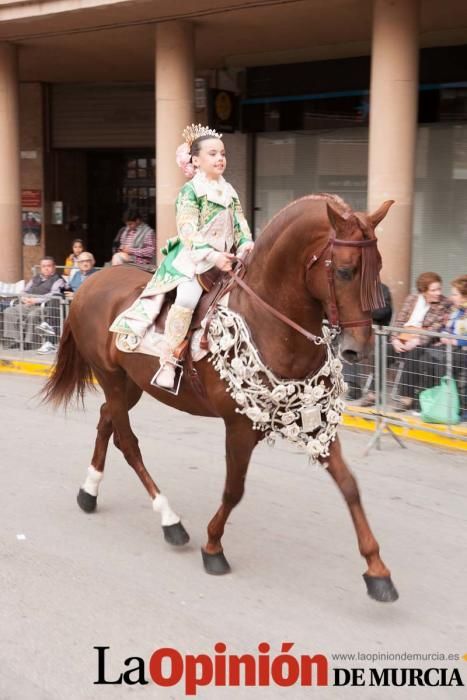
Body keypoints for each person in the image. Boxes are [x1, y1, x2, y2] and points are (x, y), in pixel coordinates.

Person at [110, 123, 254, 389]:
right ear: (196, 160)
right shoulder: (190, 192)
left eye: (222, 153)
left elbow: (240, 224)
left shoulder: (230, 190)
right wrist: (212, 257)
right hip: (194, 261)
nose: (220, 158)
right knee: (187, 297)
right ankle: (170, 360)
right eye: (212, 154)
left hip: (228, 260)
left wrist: (246, 244)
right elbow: (188, 231)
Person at [388, 271, 450, 410]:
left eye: (439, 289)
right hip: (403, 337)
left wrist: (417, 340)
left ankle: (406, 399)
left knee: (414, 355)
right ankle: (372, 394)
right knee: (381, 351)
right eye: (433, 290)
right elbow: (399, 321)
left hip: (423, 341)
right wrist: (394, 340)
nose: (438, 293)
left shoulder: (443, 304)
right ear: (423, 291)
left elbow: (436, 327)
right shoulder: (412, 299)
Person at [414, 274, 467, 419]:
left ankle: (452, 406)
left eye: (455, 294)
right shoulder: (457, 311)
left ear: (464, 296)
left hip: (462, 350)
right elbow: (447, 328)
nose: (451, 297)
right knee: (425, 358)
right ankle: (431, 401)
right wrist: (444, 335)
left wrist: (455, 341)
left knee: (442, 365)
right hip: (450, 347)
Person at [3, 257, 65, 350]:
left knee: (33, 315)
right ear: (40, 267)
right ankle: (15, 340)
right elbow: (24, 290)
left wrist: (35, 300)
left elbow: (53, 294)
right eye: (44, 266)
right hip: (29, 303)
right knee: (9, 311)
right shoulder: (35, 278)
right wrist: (24, 298)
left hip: (44, 306)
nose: (46, 268)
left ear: (54, 267)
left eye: (49, 266)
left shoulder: (58, 280)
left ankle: (30, 342)